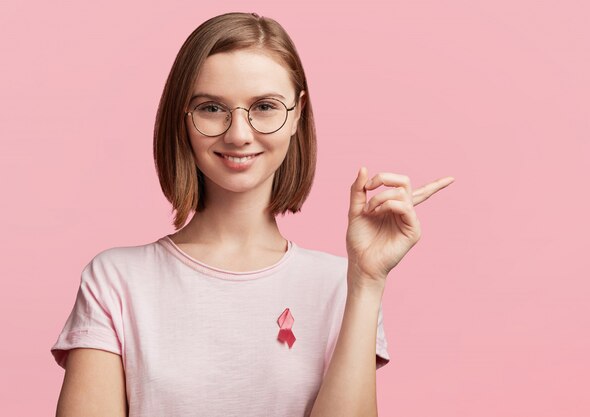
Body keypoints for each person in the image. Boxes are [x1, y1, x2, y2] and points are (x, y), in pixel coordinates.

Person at [50, 12, 454, 417]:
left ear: (297, 113)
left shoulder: (342, 287)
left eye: (263, 106)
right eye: (211, 108)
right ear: (182, 118)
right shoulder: (116, 282)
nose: (238, 134)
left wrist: (367, 281)